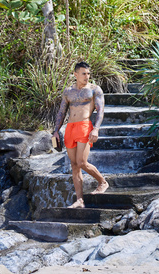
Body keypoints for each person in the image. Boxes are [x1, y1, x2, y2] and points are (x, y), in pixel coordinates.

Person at [52, 61, 109, 209]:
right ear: (75, 74)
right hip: (70, 128)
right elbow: (61, 112)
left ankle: (102, 182)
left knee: (82, 162)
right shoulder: (68, 91)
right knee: (74, 165)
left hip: (84, 126)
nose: (87, 76)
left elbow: (100, 110)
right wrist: (56, 131)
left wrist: (96, 128)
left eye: (88, 73)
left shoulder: (94, 89)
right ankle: (79, 200)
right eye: (84, 73)